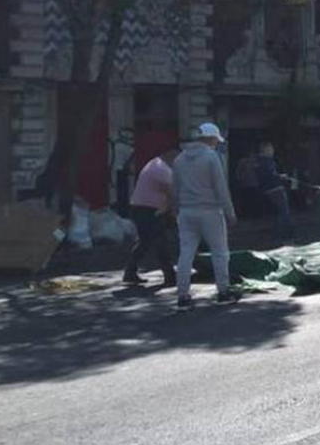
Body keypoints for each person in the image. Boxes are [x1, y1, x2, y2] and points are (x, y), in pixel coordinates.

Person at [171, 123, 240, 311]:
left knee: (186, 254)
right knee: (219, 252)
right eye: (215, 141)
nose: (216, 144)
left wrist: (176, 210)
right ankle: (223, 292)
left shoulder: (179, 159)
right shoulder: (211, 157)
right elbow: (221, 188)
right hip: (210, 211)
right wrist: (230, 212)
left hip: (186, 212)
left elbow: (175, 189)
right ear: (210, 139)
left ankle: (183, 296)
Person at [122, 147, 179, 287]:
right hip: (147, 210)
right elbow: (171, 195)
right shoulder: (162, 169)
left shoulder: (154, 164)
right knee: (159, 240)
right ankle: (170, 275)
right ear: (172, 157)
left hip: (142, 207)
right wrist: (174, 213)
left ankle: (130, 272)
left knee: (146, 241)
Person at [255, 141, 292, 239]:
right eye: (271, 149)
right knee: (284, 211)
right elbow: (270, 175)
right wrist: (281, 176)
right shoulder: (265, 161)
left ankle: (282, 234)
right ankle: (283, 235)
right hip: (275, 188)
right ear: (265, 149)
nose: (272, 151)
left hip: (269, 188)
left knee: (281, 212)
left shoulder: (260, 161)